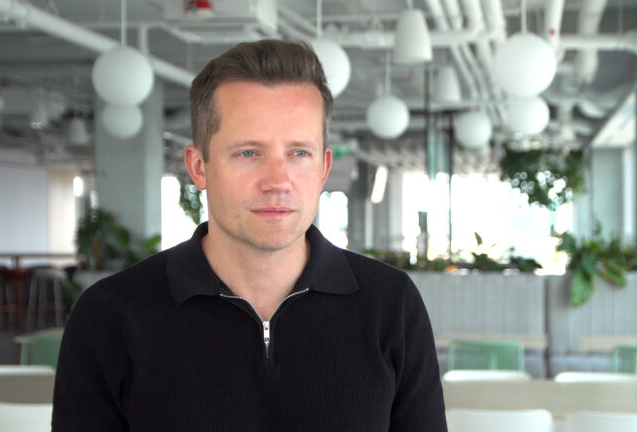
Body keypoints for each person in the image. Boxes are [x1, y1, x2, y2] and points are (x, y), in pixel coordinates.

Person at [52, 39, 446, 431]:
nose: (278, 181)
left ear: (324, 168)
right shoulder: (111, 316)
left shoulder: (390, 304)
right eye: (248, 153)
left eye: (299, 153)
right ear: (199, 167)